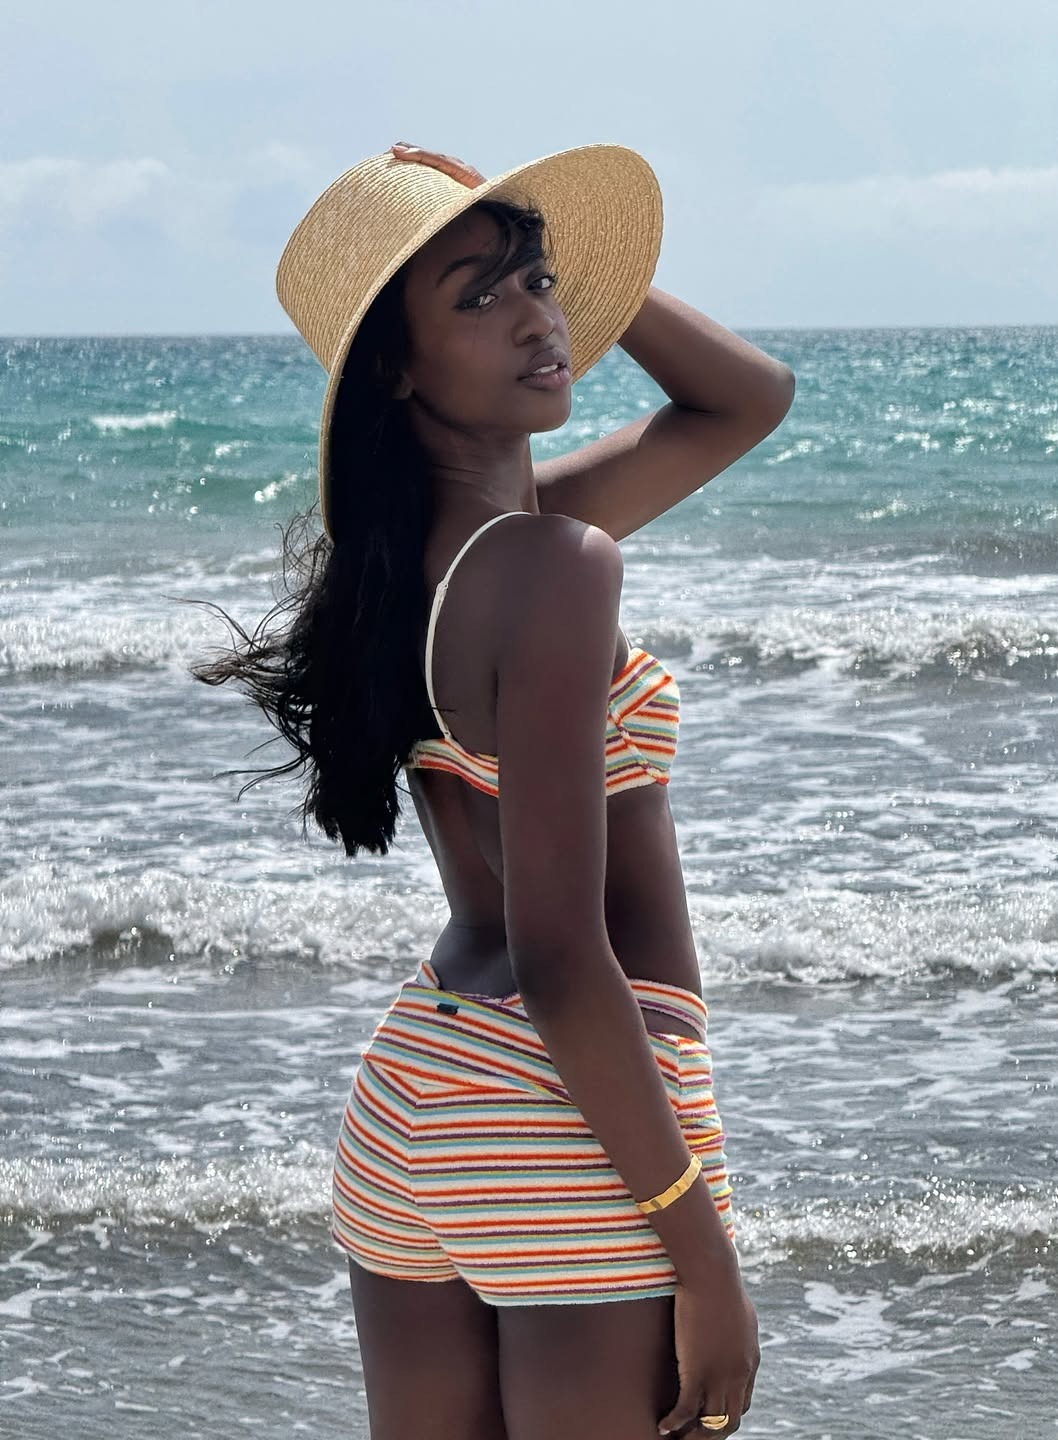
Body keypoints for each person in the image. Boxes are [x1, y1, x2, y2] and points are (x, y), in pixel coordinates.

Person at [192, 139, 794, 1438]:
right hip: (564, 1108)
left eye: (540, 281)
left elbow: (745, 401)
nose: (536, 317)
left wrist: (549, 261)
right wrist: (704, 1260)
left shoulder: (417, 562)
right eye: (479, 297)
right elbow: (563, 952)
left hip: (419, 1098)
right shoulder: (552, 562)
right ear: (397, 369)